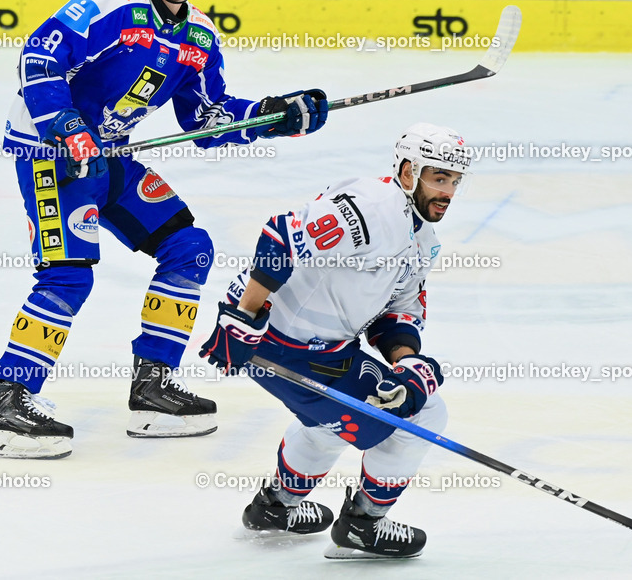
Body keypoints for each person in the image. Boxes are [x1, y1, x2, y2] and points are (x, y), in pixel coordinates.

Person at [0, 0, 330, 459]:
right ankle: (10, 401)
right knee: (68, 275)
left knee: (189, 247)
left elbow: (207, 117)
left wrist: (270, 116)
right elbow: (39, 57)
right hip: (51, 153)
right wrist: (66, 127)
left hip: (109, 155)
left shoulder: (199, 37)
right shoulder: (110, 3)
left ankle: (152, 388)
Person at [199, 123, 470, 558]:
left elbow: (395, 316)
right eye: (439, 178)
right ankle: (365, 523)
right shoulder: (371, 208)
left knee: (334, 420)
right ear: (408, 172)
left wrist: (406, 366)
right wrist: (243, 317)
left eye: (455, 181)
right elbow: (281, 237)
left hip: (314, 349)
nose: (449, 192)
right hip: (275, 340)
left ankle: (275, 508)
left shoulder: (423, 241)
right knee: (425, 414)